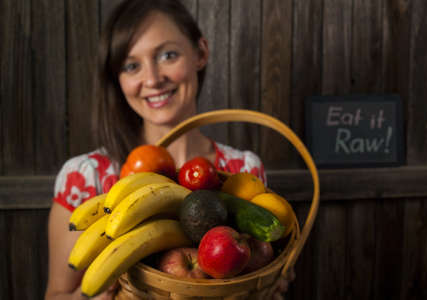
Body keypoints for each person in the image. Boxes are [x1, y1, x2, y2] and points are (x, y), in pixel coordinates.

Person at [45, 0, 293, 299]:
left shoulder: (243, 171)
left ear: (200, 53)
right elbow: (57, 294)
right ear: (118, 79)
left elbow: (257, 264)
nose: (152, 79)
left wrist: (272, 284)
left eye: (167, 55)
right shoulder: (85, 177)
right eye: (131, 65)